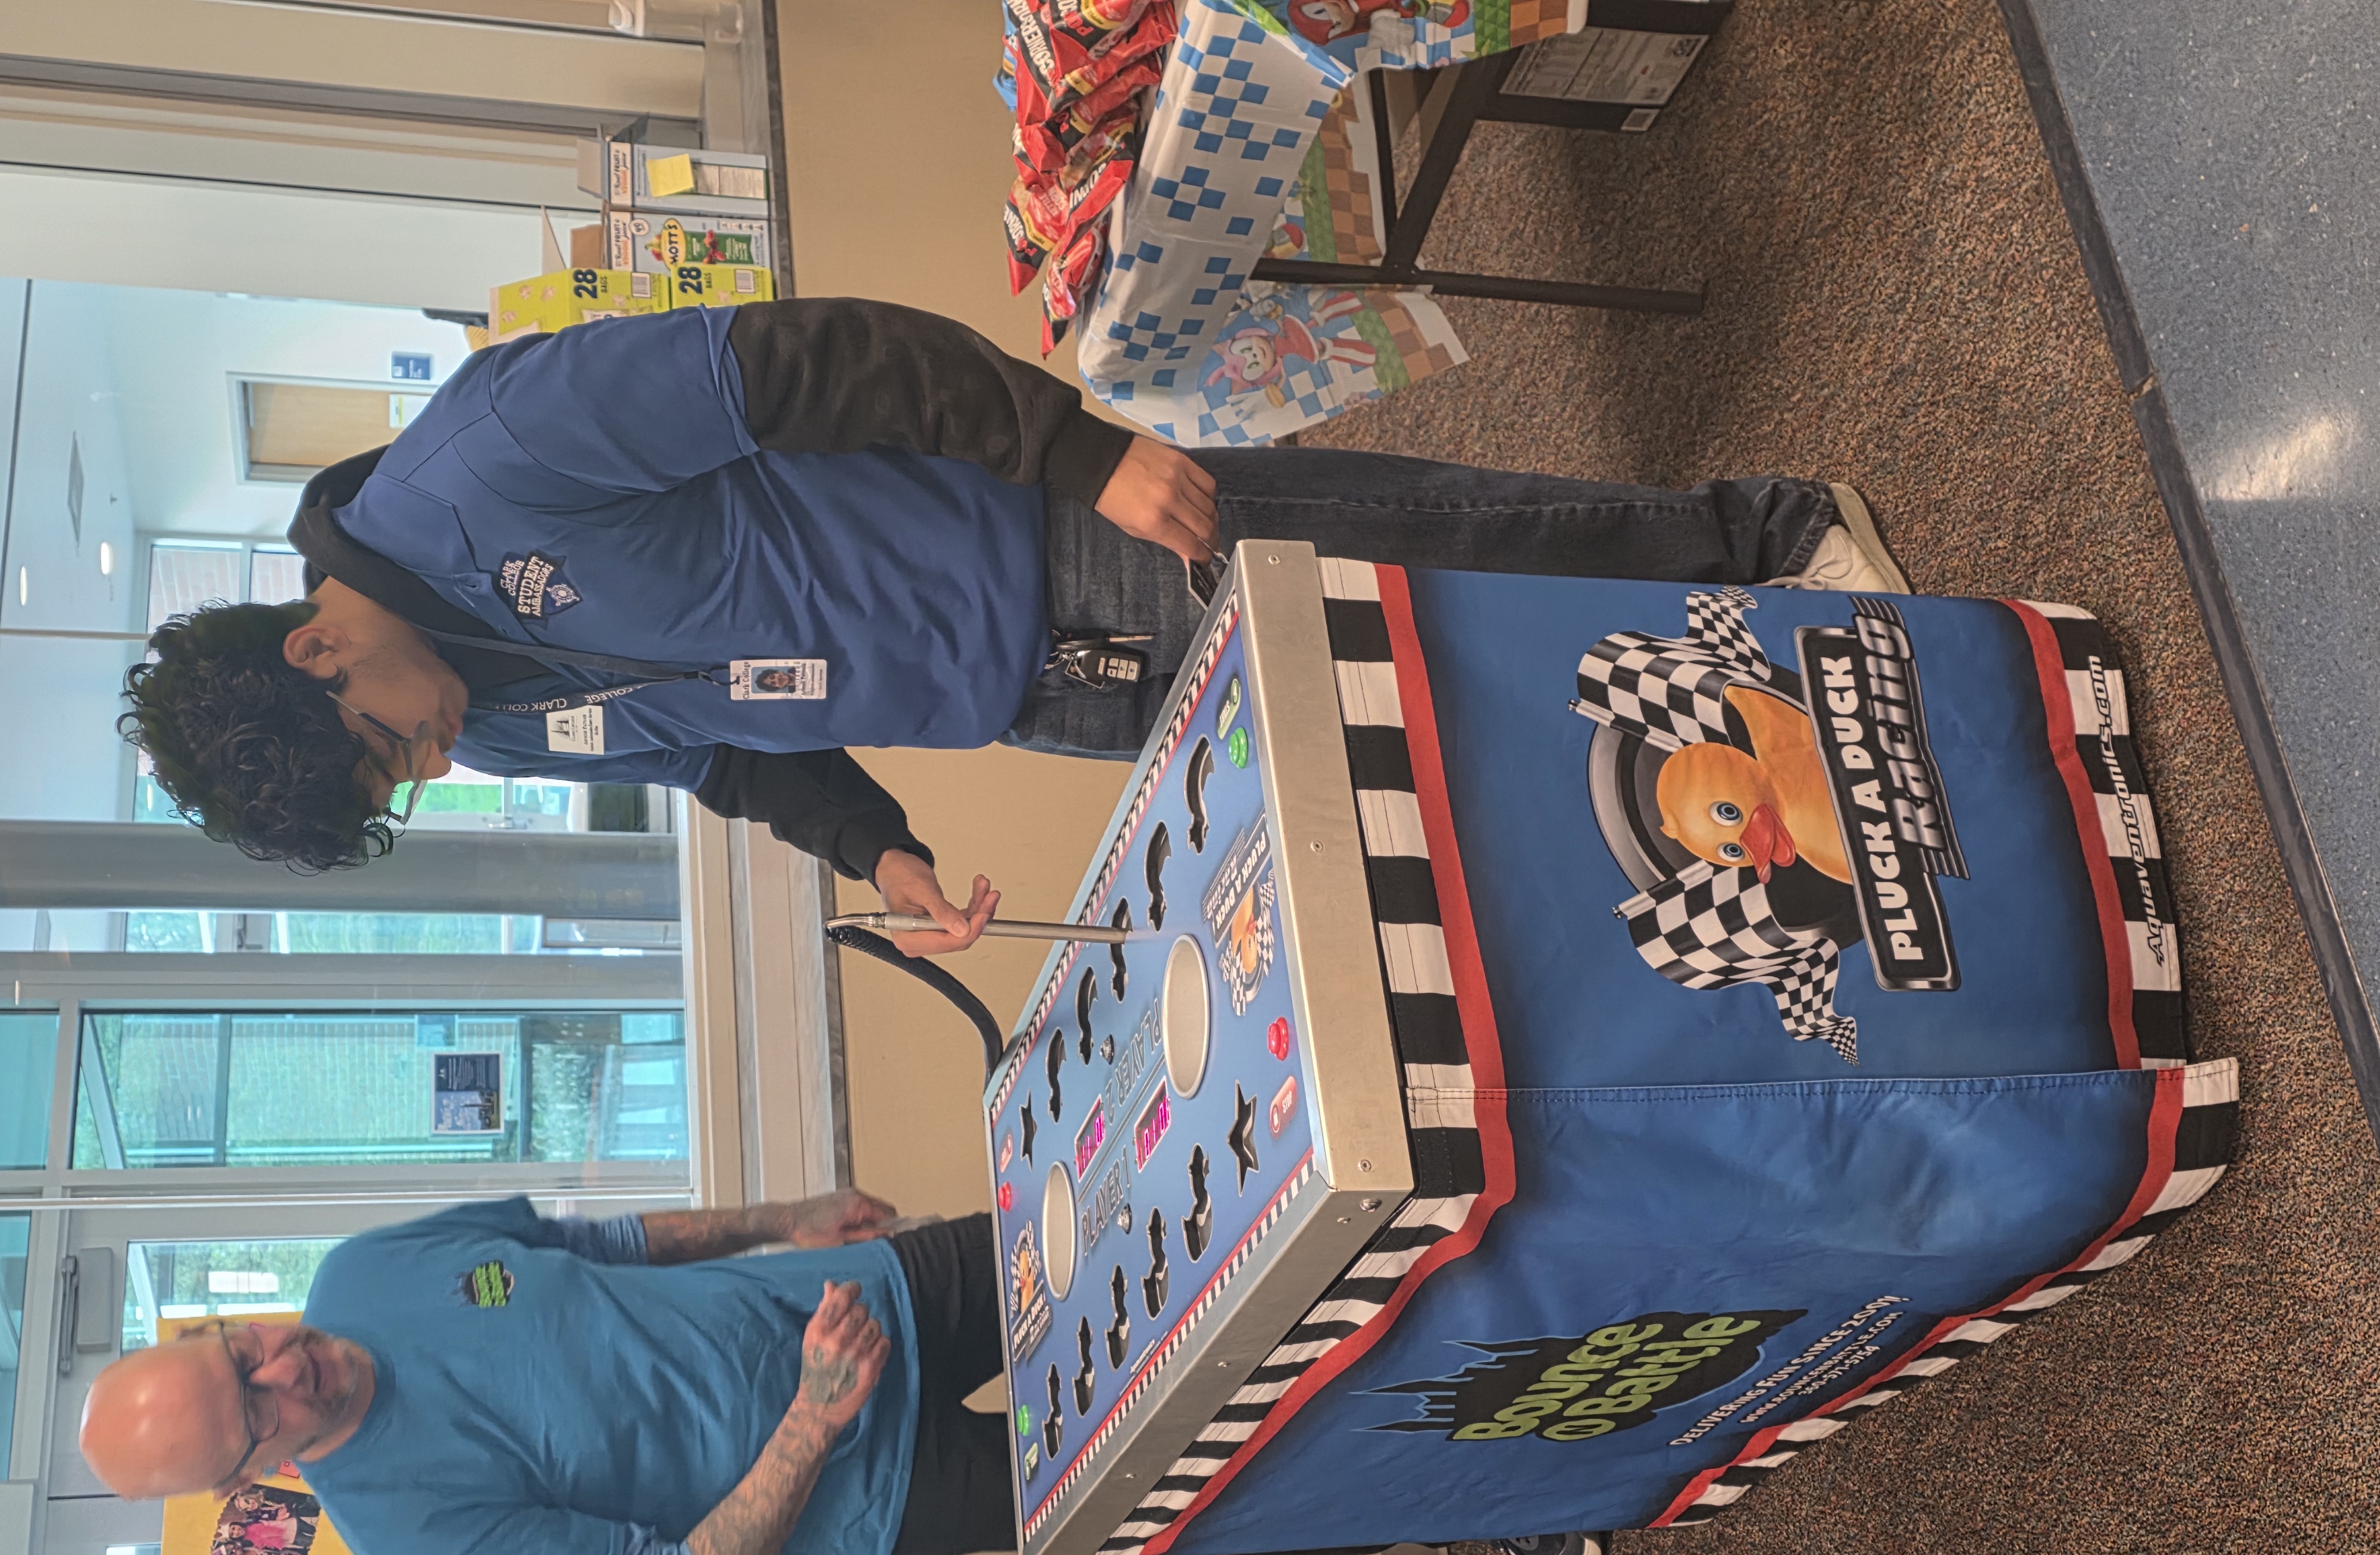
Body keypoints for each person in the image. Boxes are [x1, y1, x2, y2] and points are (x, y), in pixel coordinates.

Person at [115, 297, 1905, 958]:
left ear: (314, 648)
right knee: (1430, 694)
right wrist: (872, 847)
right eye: (407, 783)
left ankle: (1776, 534)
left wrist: (1075, 448)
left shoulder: (490, 459)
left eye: (388, 746)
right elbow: (727, 749)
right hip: (1036, 690)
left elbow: (817, 361)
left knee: (1442, 549)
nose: (440, 764)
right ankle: (1758, 697)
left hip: (1056, 533)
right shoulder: (479, 716)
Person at [77, 1194, 1012, 1555]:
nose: (286, 1364)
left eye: (243, 1351)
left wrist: (787, 1216)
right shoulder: (417, 1536)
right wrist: (814, 1418)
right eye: (257, 1404)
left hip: (867, 1292)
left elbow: (581, 1251)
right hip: (889, 1487)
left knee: (1122, 1216)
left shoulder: (360, 1272)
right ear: (246, 1478)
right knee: (1152, 1469)